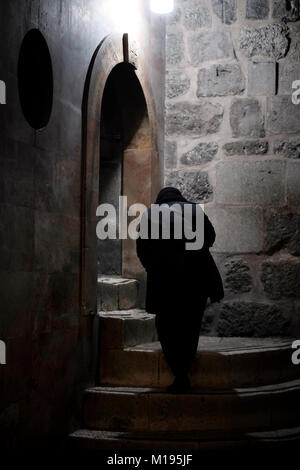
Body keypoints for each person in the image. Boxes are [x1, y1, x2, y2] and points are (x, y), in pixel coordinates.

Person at [136, 187, 224, 393]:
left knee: (166, 326)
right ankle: (184, 369)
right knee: (190, 326)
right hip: (195, 282)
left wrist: (155, 266)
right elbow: (210, 237)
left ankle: (178, 370)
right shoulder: (194, 210)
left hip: (164, 282)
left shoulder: (151, 215)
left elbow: (141, 248)